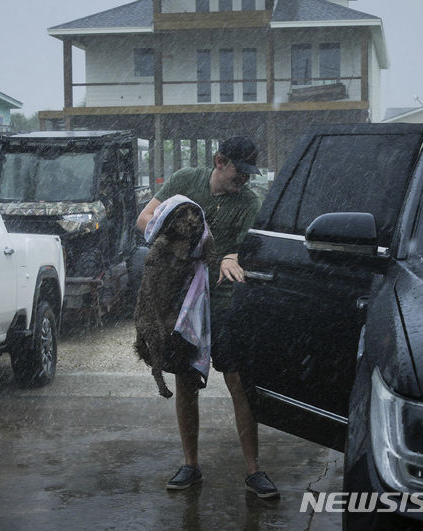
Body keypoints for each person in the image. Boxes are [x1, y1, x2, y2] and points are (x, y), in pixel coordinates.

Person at [136, 136, 279, 497]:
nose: (243, 179)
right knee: (185, 383)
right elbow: (144, 220)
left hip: (226, 304)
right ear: (219, 161)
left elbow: (247, 250)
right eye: (238, 171)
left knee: (238, 383)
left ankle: (253, 470)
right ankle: (191, 465)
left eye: (249, 173)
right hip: (183, 303)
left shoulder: (249, 203)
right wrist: (184, 235)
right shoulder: (185, 181)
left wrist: (233, 256)